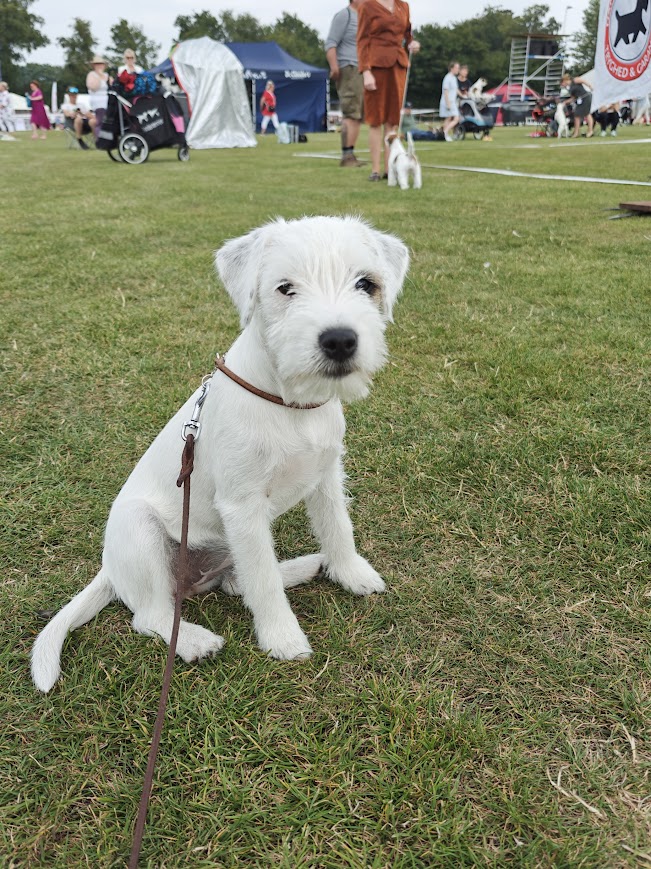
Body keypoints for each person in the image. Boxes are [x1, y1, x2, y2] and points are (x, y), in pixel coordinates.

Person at [357, 0, 420, 182]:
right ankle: (375, 170)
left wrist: (412, 43)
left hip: (398, 66)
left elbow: (408, 33)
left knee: (393, 119)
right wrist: (366, 71)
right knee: (376, 119)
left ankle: (390, 169)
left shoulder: (403, 6)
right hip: (375, 66)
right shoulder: (367, 6)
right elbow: (361, 41)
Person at [325, 0, 367, 167]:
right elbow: (330, 44)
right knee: (351, 113)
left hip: (362, 69)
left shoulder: (364, 17)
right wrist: (334, 67)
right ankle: (347, 156)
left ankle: (350, 154)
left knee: (357, 115)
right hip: (349, 68)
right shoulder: (345, 15)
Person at [561, 73, 594, 138]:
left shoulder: (574, 80)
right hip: (579, 100)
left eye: (562, 84)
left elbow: (583, 81)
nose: (563, 85)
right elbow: (573, 98)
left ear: (564, 81)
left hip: (585, 97)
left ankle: (590, 131)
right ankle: (576, 132)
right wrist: (565, 102)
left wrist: (590, 86)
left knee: (587, 114)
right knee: (576, 115)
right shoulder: (570, 88)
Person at [86, 55, 109, 142]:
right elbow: (93, 87)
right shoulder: (91, 75)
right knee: (99, 120)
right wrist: (99, 76)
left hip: (107, 100)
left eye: (101, 64)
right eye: (97, 64)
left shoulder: (107, 75)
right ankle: (99, 139)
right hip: (98, 101)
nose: (99, 66)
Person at [439, 61, 460, 141]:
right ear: (452, 68)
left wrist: (463, 95)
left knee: (449, 118)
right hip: (448, 102)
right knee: (456, 118)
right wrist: (448, 103)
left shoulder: (454, 78)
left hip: (452, 102)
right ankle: (445, 132)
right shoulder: (447, 78)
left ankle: (444, 134)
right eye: (456, 68)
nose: (458, 70)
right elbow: (446, 91)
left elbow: (455, 90)